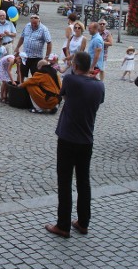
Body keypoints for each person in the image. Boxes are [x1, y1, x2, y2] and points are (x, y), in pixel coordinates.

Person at [44, 51, 105, 239]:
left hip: (68, 137)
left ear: (76, 66)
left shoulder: (71, 81)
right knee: (83, 181)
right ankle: (83, 222)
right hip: (87, 139)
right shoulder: (100, 86)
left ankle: (63, 225)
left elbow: (62, 94)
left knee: (65, 181)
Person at [13, 14, 52, 80]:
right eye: (32, 22)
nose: (33, 24)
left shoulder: (44, 29)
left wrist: (47, 57)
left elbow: (49, 43)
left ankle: (34, 90)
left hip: (36, 57)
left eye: (35, 23)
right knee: (20, 73)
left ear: (39, 20)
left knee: (36, 76)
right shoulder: (27, 26)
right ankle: (19, 88)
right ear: (30, 20)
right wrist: (17, 47)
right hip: (25, 56)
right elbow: (22, 37)